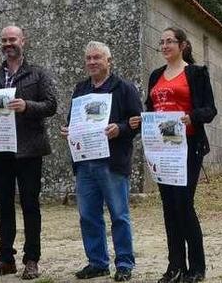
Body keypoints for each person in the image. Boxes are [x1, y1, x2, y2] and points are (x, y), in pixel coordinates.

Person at [130, 28, 217, 283]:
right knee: (169, 206)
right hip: (162, 148)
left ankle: (197, 268)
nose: (165, 45)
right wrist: (141, 120)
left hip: (188, 146)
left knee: (184, 204)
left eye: (170, 41)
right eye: (162, 42)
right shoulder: (156, 75)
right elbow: (152, 107)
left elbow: (210, 110)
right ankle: (175, 267)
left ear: (182, 45)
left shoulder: (196, 73)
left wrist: (192, 116)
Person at [0, 25, 57, 281]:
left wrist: (26, 106)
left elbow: (51, 105)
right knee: (3, 206)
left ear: (23, 41)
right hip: (1, 149)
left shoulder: (38, 73)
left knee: (30, 205)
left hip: (30, 149)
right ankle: (5, 259)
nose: (8, 43)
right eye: (4, 40)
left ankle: (31, 259)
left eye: (12, 39)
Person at [61, 41, 141, 282]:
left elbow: (137, 121)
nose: (92, 62)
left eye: (97, 58)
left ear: (109, 61)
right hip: (85, 162)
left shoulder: (124, 88)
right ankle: (97, 263)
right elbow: (72, 119)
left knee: (119, 214)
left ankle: (124, 263)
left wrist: (121, 128)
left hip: (112, 163)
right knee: (88, 216)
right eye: (88, 58)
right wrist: (68, 130)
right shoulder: (81, 89)